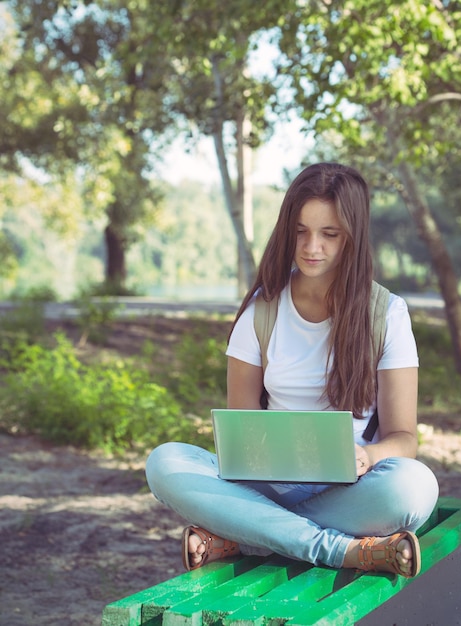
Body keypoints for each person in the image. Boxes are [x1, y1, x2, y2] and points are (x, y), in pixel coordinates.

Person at [146, 162, 439, 578]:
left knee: (414, 488)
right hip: (266, 485)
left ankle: (244, 536)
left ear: (352, 237)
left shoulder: (387, 314)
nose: (311, 247)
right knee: (164, 462)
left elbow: (404, 439)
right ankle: (336, 548)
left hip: (349, 487)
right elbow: (240, 435)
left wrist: (368, 456)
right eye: (301, 231)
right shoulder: (260, 311)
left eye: (329, 234)